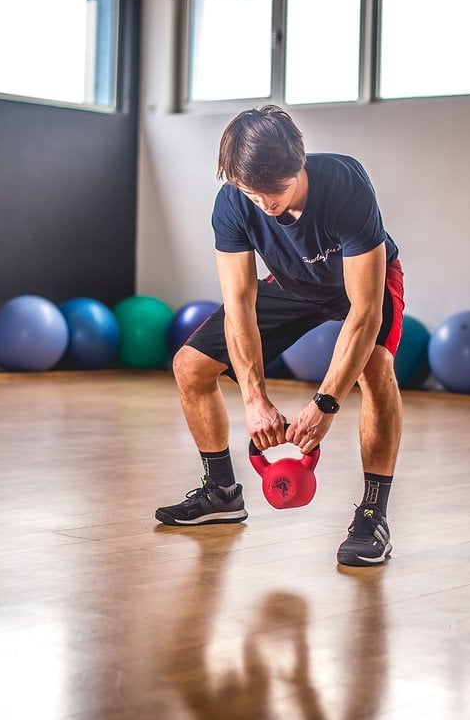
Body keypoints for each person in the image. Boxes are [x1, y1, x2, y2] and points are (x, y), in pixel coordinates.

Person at [155, 105, 404, 567]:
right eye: (254, 193)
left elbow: (365, 310)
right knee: (190, 366)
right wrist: (255, 400)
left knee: (375, 368)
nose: (267, 203)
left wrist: (326, 403)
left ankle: (374, 515)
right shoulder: (233, 203)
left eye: (278, 189)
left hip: (358, 283)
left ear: (299, 163)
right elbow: (239, 306)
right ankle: (222, 493)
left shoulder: (345, 184)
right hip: (291, 285)